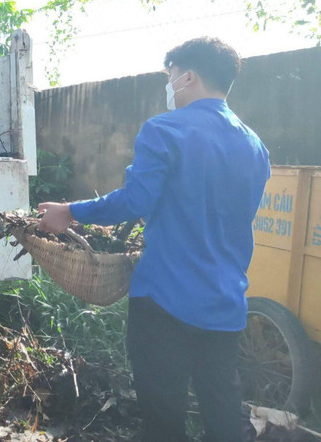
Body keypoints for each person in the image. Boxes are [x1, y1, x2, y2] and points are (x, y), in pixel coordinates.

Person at [38, 37, 270, 442]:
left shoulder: (165, 129)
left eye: (171, 75)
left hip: (166, 299)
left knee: (163, 415)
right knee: (222, 412)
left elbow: (134, 201)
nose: (169, 85)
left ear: (188, 76)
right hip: (226, 303)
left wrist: (69, 211)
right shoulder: (256, 146)